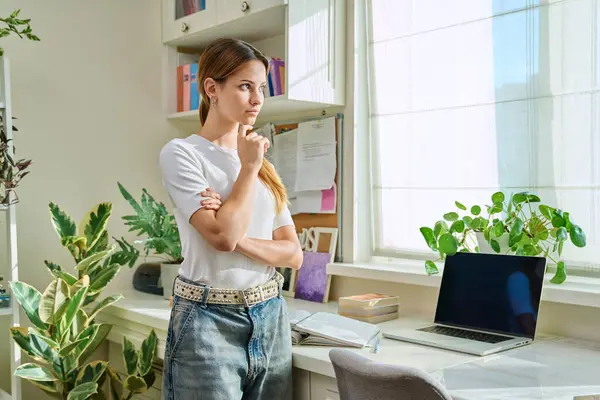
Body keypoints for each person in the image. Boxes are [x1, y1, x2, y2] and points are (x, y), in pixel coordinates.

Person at [159, 38, 303, 400]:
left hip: (271, 316)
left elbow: (292, 254)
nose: (257, 99)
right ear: (212, 88)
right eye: (245, 86)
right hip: (207, 321)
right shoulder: (182, 154)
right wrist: (248, 170)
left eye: (261, 88)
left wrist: (234, 231)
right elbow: (220, 239)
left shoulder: (260, 163)